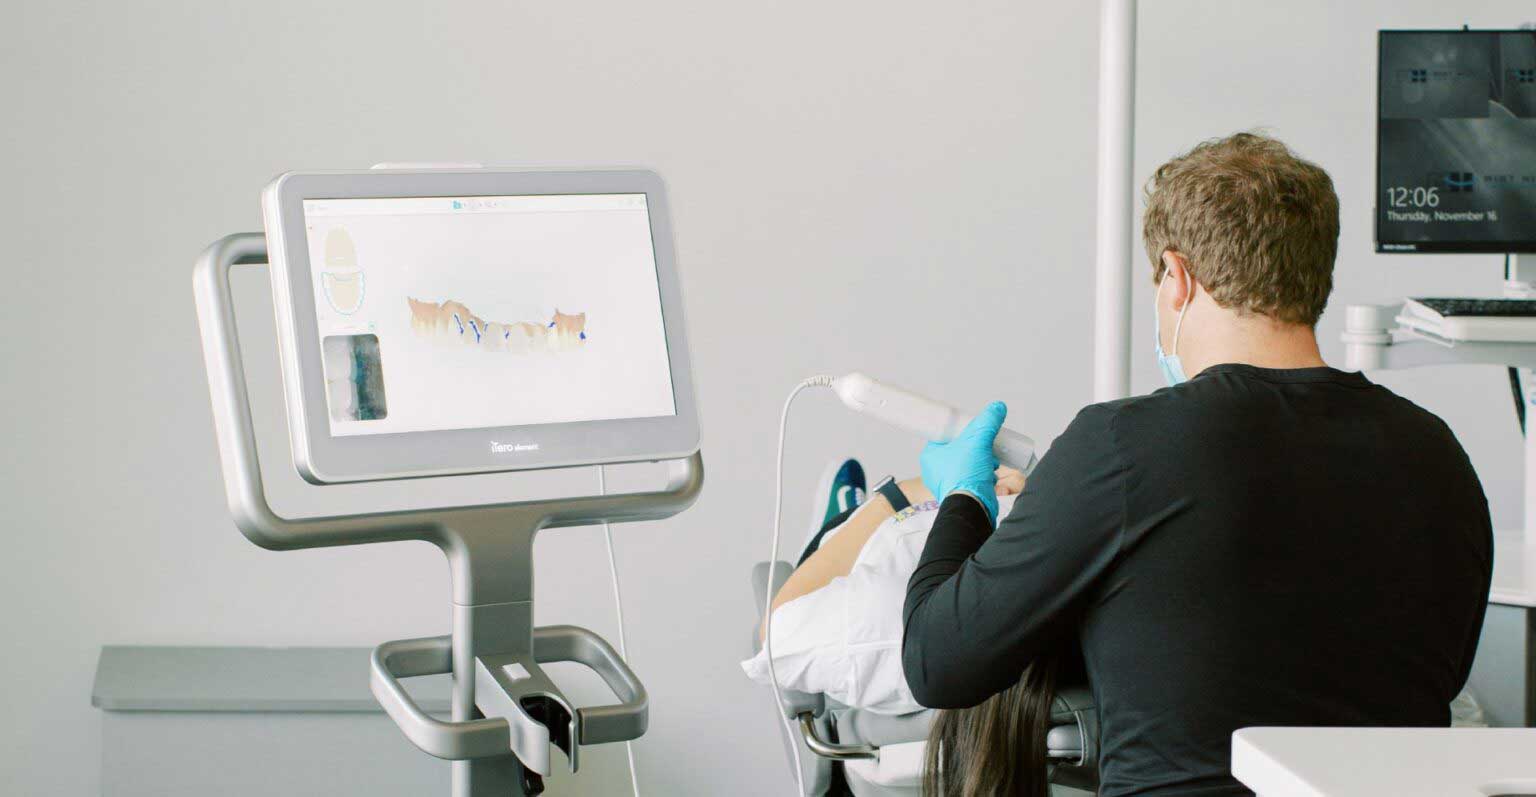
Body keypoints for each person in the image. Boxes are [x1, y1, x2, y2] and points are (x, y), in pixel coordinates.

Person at [903, 132, 1494, 796]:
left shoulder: (1124, 444)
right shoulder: (1439, 456)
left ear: (1178, 278)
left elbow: (937, 662)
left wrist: (964, 499)